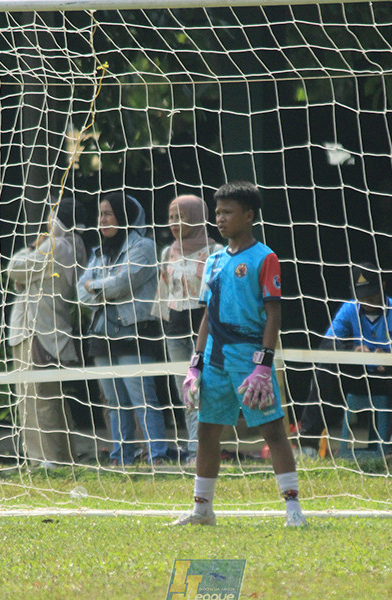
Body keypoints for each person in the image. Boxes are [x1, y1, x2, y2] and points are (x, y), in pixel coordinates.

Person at [174, 181, 306, 527]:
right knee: (207, 431)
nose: (220, 219)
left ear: (248, 216)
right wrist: (195, 363)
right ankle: (202, 510)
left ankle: (293, 510)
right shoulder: (214, 260)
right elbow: (207, 313)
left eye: (227, 212)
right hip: (215, 357)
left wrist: (264, 362)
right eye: (217, 212)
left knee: (273, 431)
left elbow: (274, 313)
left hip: (249, 359)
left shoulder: (265, 258)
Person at [77, 192, 170, 466]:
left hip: (134, 332)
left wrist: (95, 286)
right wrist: (100, 287)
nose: (102, 219)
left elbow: (122, 284)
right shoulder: (97, 252)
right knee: (114, 402)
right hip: (101, 334)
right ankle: (121, 458)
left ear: (124, 216)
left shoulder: (144, 247)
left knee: (142, 397)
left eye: (108, 213)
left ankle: (157, 456)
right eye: (100, 214)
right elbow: (79, 294)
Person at [297, 264, 392, 463]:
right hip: (358, 377)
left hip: (387, 378)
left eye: (371, 294)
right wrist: (354, 351)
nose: (367, 300)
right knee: (325, 366)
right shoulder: (349, 309)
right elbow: (326, 345)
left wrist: (387, 357)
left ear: (382, 286)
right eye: (362, 295)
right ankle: (308, 443)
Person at [6, 196, 88, 468]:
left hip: (38, 330)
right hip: (40, 328)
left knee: (37, 399)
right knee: (44, 398)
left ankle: (46, 459)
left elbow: (14, 268)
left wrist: (32, 245)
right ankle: (57, 457)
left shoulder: (58, 244)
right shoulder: (71, 244)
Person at [153, 195, 223, 464]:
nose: (174, 223)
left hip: (205, 330)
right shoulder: (166, 252)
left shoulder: (216, 252)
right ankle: (194, 451)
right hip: (175, 330)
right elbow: (162, 296)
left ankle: (204, 450)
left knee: (205, 389)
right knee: (185, 392)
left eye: (180, 216)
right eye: (171, 217)